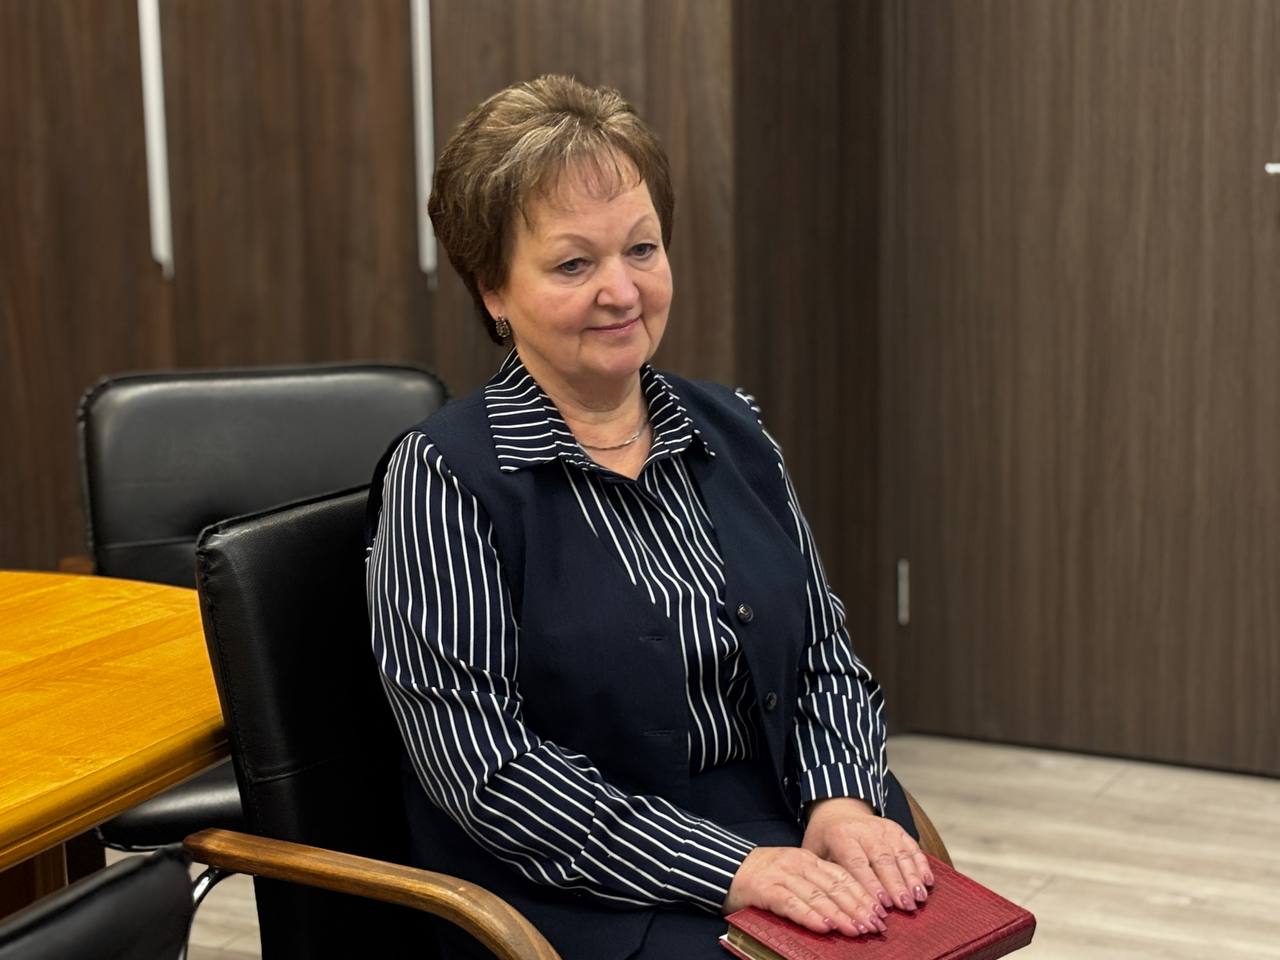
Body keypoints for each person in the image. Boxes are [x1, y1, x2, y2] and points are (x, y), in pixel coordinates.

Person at [366, 74, 932, 960]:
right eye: (573, 264)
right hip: (579, 890)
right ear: (492, 290)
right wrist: (734, 868)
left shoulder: (735, 429)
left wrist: (842, 800)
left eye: (641, 249)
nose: (622, 291)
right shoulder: (444, 479)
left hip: (787, 820)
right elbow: (487, 770)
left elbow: (822, 651)